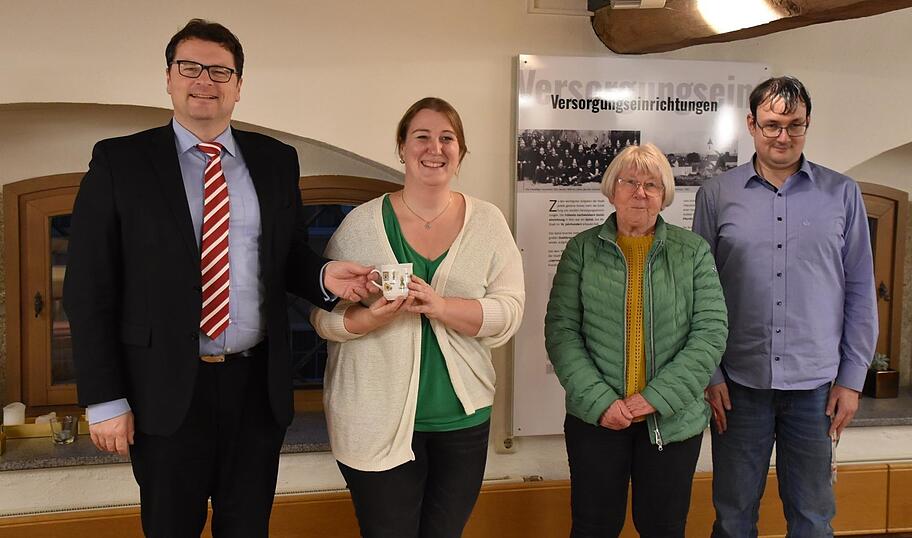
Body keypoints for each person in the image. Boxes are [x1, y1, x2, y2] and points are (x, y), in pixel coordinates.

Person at [62, 19, 372, 537]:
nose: (205, 80)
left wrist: (323, 276)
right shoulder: (120, 161)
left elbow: (287, 255)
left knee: (248, 528)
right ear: (168, 78)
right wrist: (104, 398)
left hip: (257, 389)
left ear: (239, 85)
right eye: (191, 67)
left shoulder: (276, 161)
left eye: (220, 71)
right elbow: (88, 289)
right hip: (161, 391)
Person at [311, 97, 525, 538]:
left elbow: (509, 314)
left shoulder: (488, 222)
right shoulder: (361, 223)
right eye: (422, 137)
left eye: (447, 138)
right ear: (402, 149)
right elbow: (322, 318)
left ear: (460, 152)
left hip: (462, 423)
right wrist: (367, 320)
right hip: (373, 420)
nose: (435, 148)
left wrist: (441, 307)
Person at [692, 76, 878, 537]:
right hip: (738, 386)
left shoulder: (843, 193)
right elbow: (697, 293)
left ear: (807, 125)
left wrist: (852, 380)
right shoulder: (716, 195)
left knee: (813, 518)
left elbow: (860, 290)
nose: (783, 136)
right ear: (752, 125)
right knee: (733, 518)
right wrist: (710, 374)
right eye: (772, 125)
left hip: (817, 389)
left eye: (794, 126)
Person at [545, 144, 728, 537]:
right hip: (596, 420)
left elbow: (710, 333)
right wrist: (601, 402)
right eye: (630, 182)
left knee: (662, 527)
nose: (640, 192)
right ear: (612, 189)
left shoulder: (693, 252)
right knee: (593, 527)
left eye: (651, 184)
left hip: (671, 421)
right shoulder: (581, 250)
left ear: (664, 195)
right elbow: (561, 333)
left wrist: (656, 398)